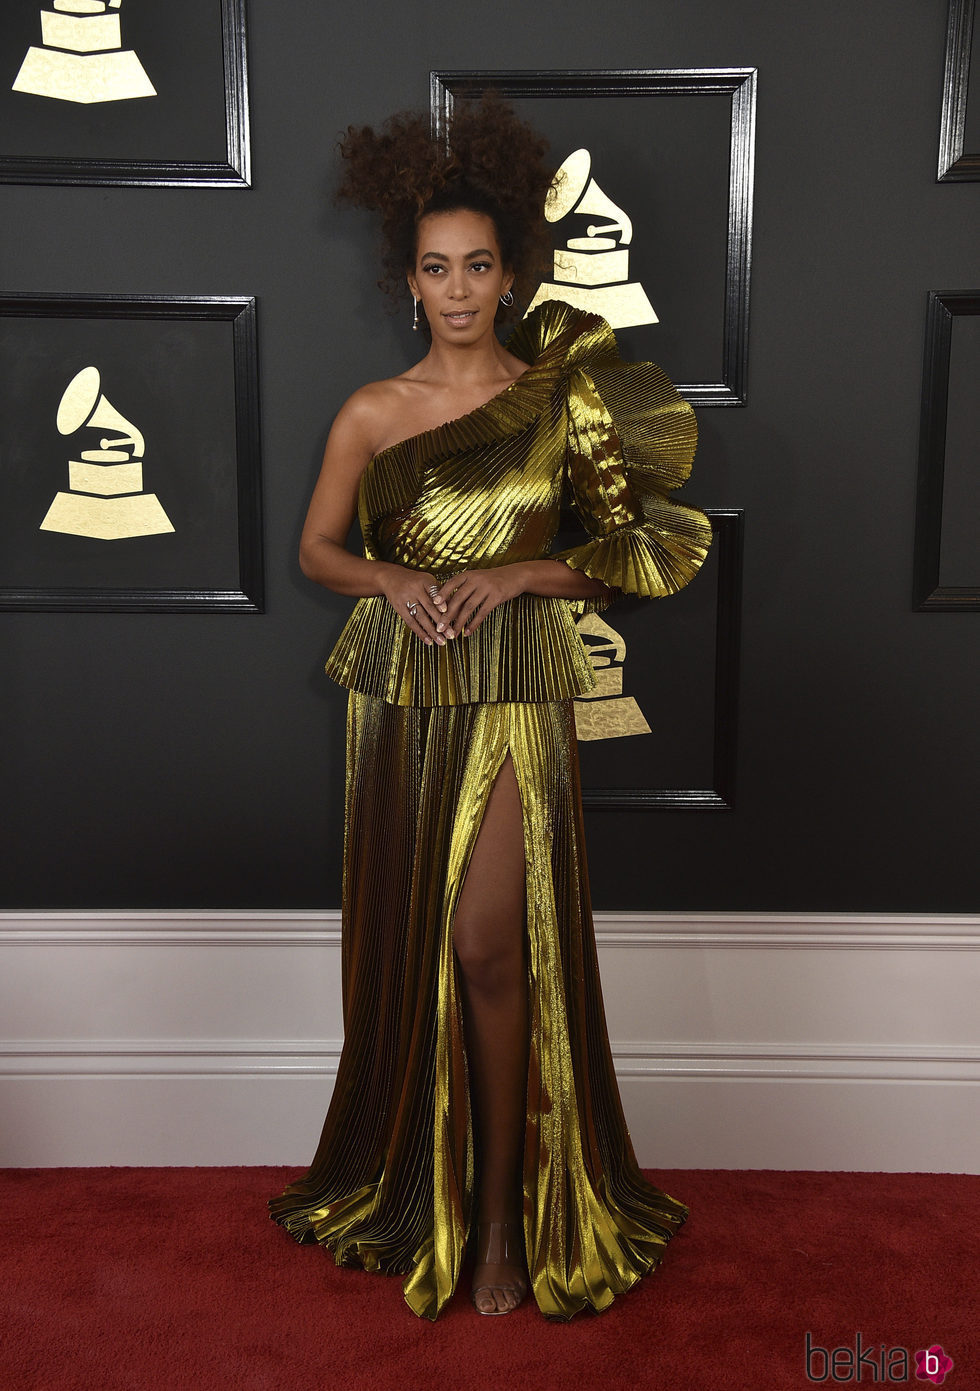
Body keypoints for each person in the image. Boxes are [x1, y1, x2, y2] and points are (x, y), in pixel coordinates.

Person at [270, 97, 712, 1320]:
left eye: (476, 266)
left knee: (487, 942)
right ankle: (430, 1190)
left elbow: (637, 548)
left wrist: (519, 569)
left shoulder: (564, 398)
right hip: (405, 690)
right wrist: (391, 575)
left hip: (517, 682)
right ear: (405, 281)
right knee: (416, 949)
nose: (456, 288)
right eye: (433, 268)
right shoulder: (371, 409)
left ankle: (512, 1217)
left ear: (510, 275)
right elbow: (315, 549)